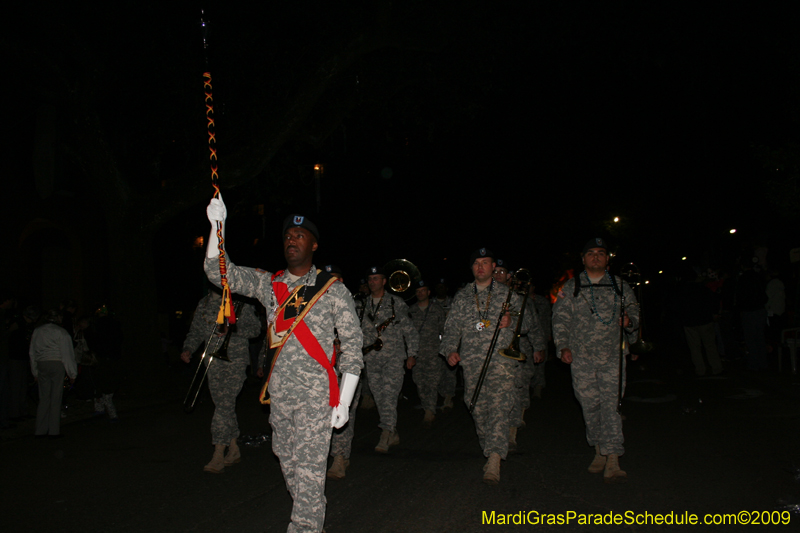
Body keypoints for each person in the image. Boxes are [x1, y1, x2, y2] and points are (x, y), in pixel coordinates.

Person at [205, 197, 363, 533]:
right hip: (279, 395)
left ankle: (304, 526)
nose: (292, 239)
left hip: (316, 397)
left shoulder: (332, 291)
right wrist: (217, 226)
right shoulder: (270, 284)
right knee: (289, 463)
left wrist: (344, 399)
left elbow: (352, 347)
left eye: (300, 235)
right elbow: (219, 273)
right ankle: (312, 516)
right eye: (288, 235)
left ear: (314, 245)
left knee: (309, 470)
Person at [439, 248, 531, 484]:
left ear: (493, 267)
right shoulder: (462, 296)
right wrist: (450, 350)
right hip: (472, 363)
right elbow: (451, 328)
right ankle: (489, 448)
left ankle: (494, 458)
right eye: (476, 263)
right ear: (472, 268)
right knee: (476, 408)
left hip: (502, 362)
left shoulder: (508, 294)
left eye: (485, 262)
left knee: (499, 407)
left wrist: (512, 321)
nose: (480, 267)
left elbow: (528, 322)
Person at [552, 238, 639, 484]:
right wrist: (563, 346)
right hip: (582, 358)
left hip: (612, 356)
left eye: (601, 253)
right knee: (589, 406)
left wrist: (630, 324)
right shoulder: (572, 287)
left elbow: (635, 313)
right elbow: (560, 319)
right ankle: (599, 448)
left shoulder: (620, 286)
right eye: (591, 253)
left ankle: (613, 457)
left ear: (607, 258)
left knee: (611, 406)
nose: (596, 257)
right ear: (583, 259)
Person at [180, 289, 261, 473]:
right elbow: (196, 331)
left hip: (235, 360)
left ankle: (218, 452)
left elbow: (255, 329)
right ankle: (233, 447)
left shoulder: (239, 303)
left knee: (224, 403)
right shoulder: (204, 303)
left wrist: (232, 329)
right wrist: (188, 348)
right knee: (223, 405)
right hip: (213, 361)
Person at [361, 265, 419, 452]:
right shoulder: (362, 305)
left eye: (376, 278)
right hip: (372, 359)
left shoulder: (396, 303)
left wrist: (412, 354)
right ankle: (392, 432)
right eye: (370, 279)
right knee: (379, 396)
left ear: (384, 281)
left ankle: (385, 433)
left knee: (389, 396)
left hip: (393, 358)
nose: (372, 282)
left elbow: (409, 330)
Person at [29, 309, 77, 438]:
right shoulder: (61, 332)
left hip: (42, 363)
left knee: (44, 397)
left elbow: (32, 352)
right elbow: (67, 354)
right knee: (56, 396)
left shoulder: (38, 331)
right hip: (56, 363)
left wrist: (35, 371)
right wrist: (72, 373)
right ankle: (54, 430)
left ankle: (40, 430)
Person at [408, 279, 449, 427]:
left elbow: (444, 330)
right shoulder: (411, 311)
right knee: (419, 382)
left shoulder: (437, 309)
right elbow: (407, 333)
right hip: (417, 353)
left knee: (432, 382)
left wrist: (445, 350)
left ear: (429, 292)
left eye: (423, 291)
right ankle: (426, 405)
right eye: (418, 291)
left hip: (433, 353)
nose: (420, 293)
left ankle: (430, 410)